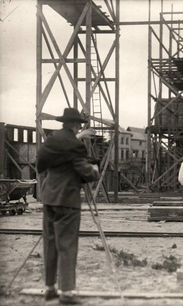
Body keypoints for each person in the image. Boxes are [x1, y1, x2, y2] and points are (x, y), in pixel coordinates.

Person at [37, 108, 100, 305]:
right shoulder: (74, 144)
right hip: (67, 200)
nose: (79, 127)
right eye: (79, 125)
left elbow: (42, 164)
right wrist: (95, 169)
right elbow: (85, 171)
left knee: (50, 244)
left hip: (49, 197)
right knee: (67, 245)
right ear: (75, 125)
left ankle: (49, 288)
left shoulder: (52, 140)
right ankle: (67, 292)